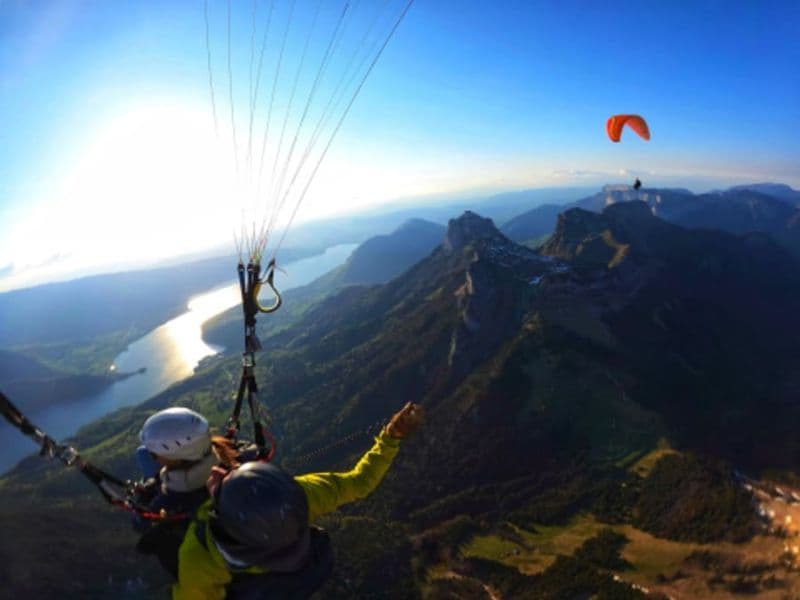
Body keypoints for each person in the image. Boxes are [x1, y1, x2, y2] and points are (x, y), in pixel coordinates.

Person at [172, 401, 426, 600]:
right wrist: (392, 437)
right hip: (300, 573)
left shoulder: (200, 555)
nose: (218, 471)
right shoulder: (297, 498)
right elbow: (361, 483)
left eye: (223, 486)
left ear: (224, 516)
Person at [134, 407, 219, 577]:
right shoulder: (222, 452)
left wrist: (145, 498)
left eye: (156, 454)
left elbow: (140, 523)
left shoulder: (167, 503)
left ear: (180, 457)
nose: (153, 456)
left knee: (141, 455)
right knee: (142, 453)